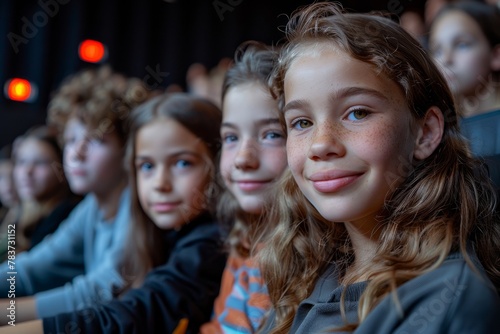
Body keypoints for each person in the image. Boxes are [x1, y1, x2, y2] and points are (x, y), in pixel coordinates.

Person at [257, 2, 500, 333]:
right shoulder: (309, 274)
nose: (320, 144)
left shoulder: (449, 298)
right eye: (301, 122)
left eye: (357, 112)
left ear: (425, 133)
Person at [1, 92, 228, 333]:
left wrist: (11, 322)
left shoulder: (208, 241)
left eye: (183, 163)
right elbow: (31, 269)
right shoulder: (105, 213)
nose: (161, 183)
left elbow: (123, 311)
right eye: (148, 166)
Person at [0, 66, 151, 323]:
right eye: (71, 139)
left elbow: (96, 293)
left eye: (96, 140)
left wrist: (7, 314)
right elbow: (29, 269)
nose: (76, 153)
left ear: (129, 150)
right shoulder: (91, 207)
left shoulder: (139, 207)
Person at [199, 41, 287, 334]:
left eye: (272, 134)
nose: (243, 159)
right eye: (231, 138)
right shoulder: (245, 238)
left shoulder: (313, 258)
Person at [429, 1, 500, 196]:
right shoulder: (437, 132)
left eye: (461, 44)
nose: (446, 58)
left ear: (496, 55)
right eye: (437, 49)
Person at [12, 125, 80, 252]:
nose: (27, 171)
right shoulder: (17, 213)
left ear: (62, 169)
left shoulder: (65, 217)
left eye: (40, 162)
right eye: (21, 161)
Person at [0, 144, 20, 262]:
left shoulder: (27, 221)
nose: (8, 185)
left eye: (12, 176)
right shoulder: (3, 215)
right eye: (1, 178)